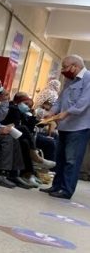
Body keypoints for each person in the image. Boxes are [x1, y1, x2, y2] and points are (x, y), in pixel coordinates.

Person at [39, 55, 90, 199]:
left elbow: (83, 103)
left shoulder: (88, 78)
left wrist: (66, 113)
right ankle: (56, 186)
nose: (63, 70)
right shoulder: (69, 80)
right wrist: (52, 112)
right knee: (60, 158)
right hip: (64, 126)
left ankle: (66, 190)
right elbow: (60, 100)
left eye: (65, 67)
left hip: (79, 127)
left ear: (75, 66)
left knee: (71, 161)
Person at [2, 92, 56, 186]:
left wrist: (32, 116)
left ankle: (29, 173)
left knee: (25, 142)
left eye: (29, 106)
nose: (27, 107)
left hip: (18, 135)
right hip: (7, 132)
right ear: (18, 101)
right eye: (26, 104)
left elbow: (29, 128)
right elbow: (16, 125)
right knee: (25, 136)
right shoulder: (13, 108)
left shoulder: (21, 111)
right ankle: (35, 161)